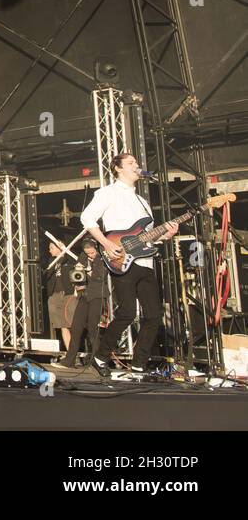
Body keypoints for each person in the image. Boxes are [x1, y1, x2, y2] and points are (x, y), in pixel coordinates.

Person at [81, 152, 178, 376]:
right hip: (120, 258)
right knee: (126, 312)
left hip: (145, 262)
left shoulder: (143, 202)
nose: (137, 166)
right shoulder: (108, 193)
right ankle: (100, 357)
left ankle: (138, 365)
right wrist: (105, 243)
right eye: (131, 163)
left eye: (137, 162)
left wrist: (166, 235)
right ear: (118, 169)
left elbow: (148, 236)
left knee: (153, 315)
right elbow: (87, 219)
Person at [60, 239, 107, 368]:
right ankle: (69, 360)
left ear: (96, 249)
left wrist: (89, 271)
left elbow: (100, 276)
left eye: (92, 253)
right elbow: (77, 272)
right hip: (83, 295)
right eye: (88, 253)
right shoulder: (82, 256)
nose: (90, 255)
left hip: (97, 296)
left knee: (92, 328)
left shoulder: (102, 257)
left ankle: (97, 360)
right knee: (76, 327)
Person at [45, 242, 75, 350]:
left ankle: (74, 350)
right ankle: (69, 351)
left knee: (71, 323)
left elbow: (76, 262)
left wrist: (65, 251)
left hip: (68, 294)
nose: (50, 250)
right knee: (62, 325)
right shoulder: (51, 261)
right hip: (55, 294)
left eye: (52, 248)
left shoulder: (69, 258)